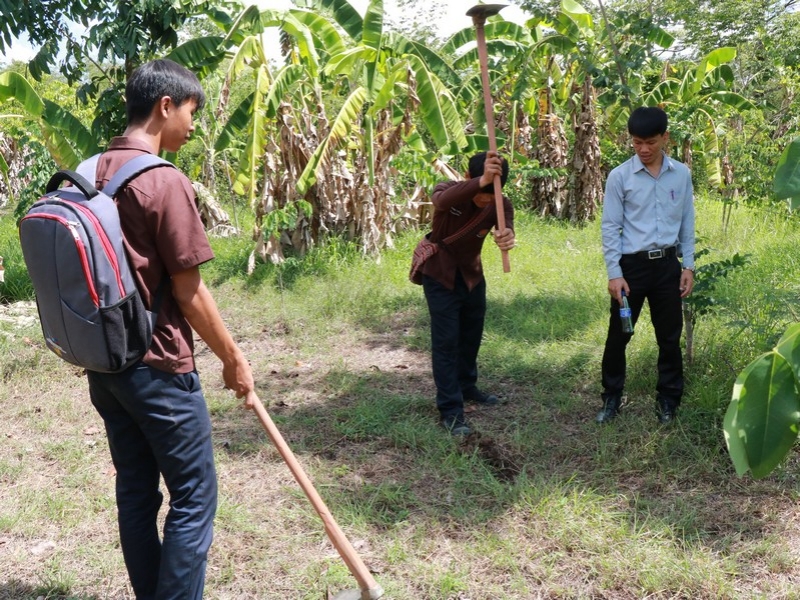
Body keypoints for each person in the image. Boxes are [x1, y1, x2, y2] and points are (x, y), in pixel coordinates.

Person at [85, 59, 256, 600]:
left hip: (105, 364)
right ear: (166, 106)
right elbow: (189, 291)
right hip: (159, 366)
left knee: (137, 492)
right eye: (191, 112)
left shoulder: (91, 172)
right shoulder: (161, 179)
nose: (193, 125)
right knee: (194, 497)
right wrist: (232, 358)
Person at [596, 106, 695, 425]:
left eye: (650, 142)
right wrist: (615, 274)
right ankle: (611, 397)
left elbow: (687, 222)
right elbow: (610, 227)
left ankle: (668, 399)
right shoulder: (620, 177)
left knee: (669, 337)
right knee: (620, 334)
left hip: (667, 268)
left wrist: (688, 265)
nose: (643, 149)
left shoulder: (681, 174)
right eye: (637, 142)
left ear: (665, 138)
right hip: (631, 271)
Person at [420, 150, 515, 436]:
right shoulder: (448, 191)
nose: (486, 199)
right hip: (440, 275)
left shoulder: (501, 204)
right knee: (446, 343)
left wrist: (506, 237)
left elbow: (507, 228)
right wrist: (482, 181)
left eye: (492, 193)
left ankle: (467, 386)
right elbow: (440, 201)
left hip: (472, 277)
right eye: (482, 191)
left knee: (471, 335)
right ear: (468, 177)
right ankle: (450, 410)